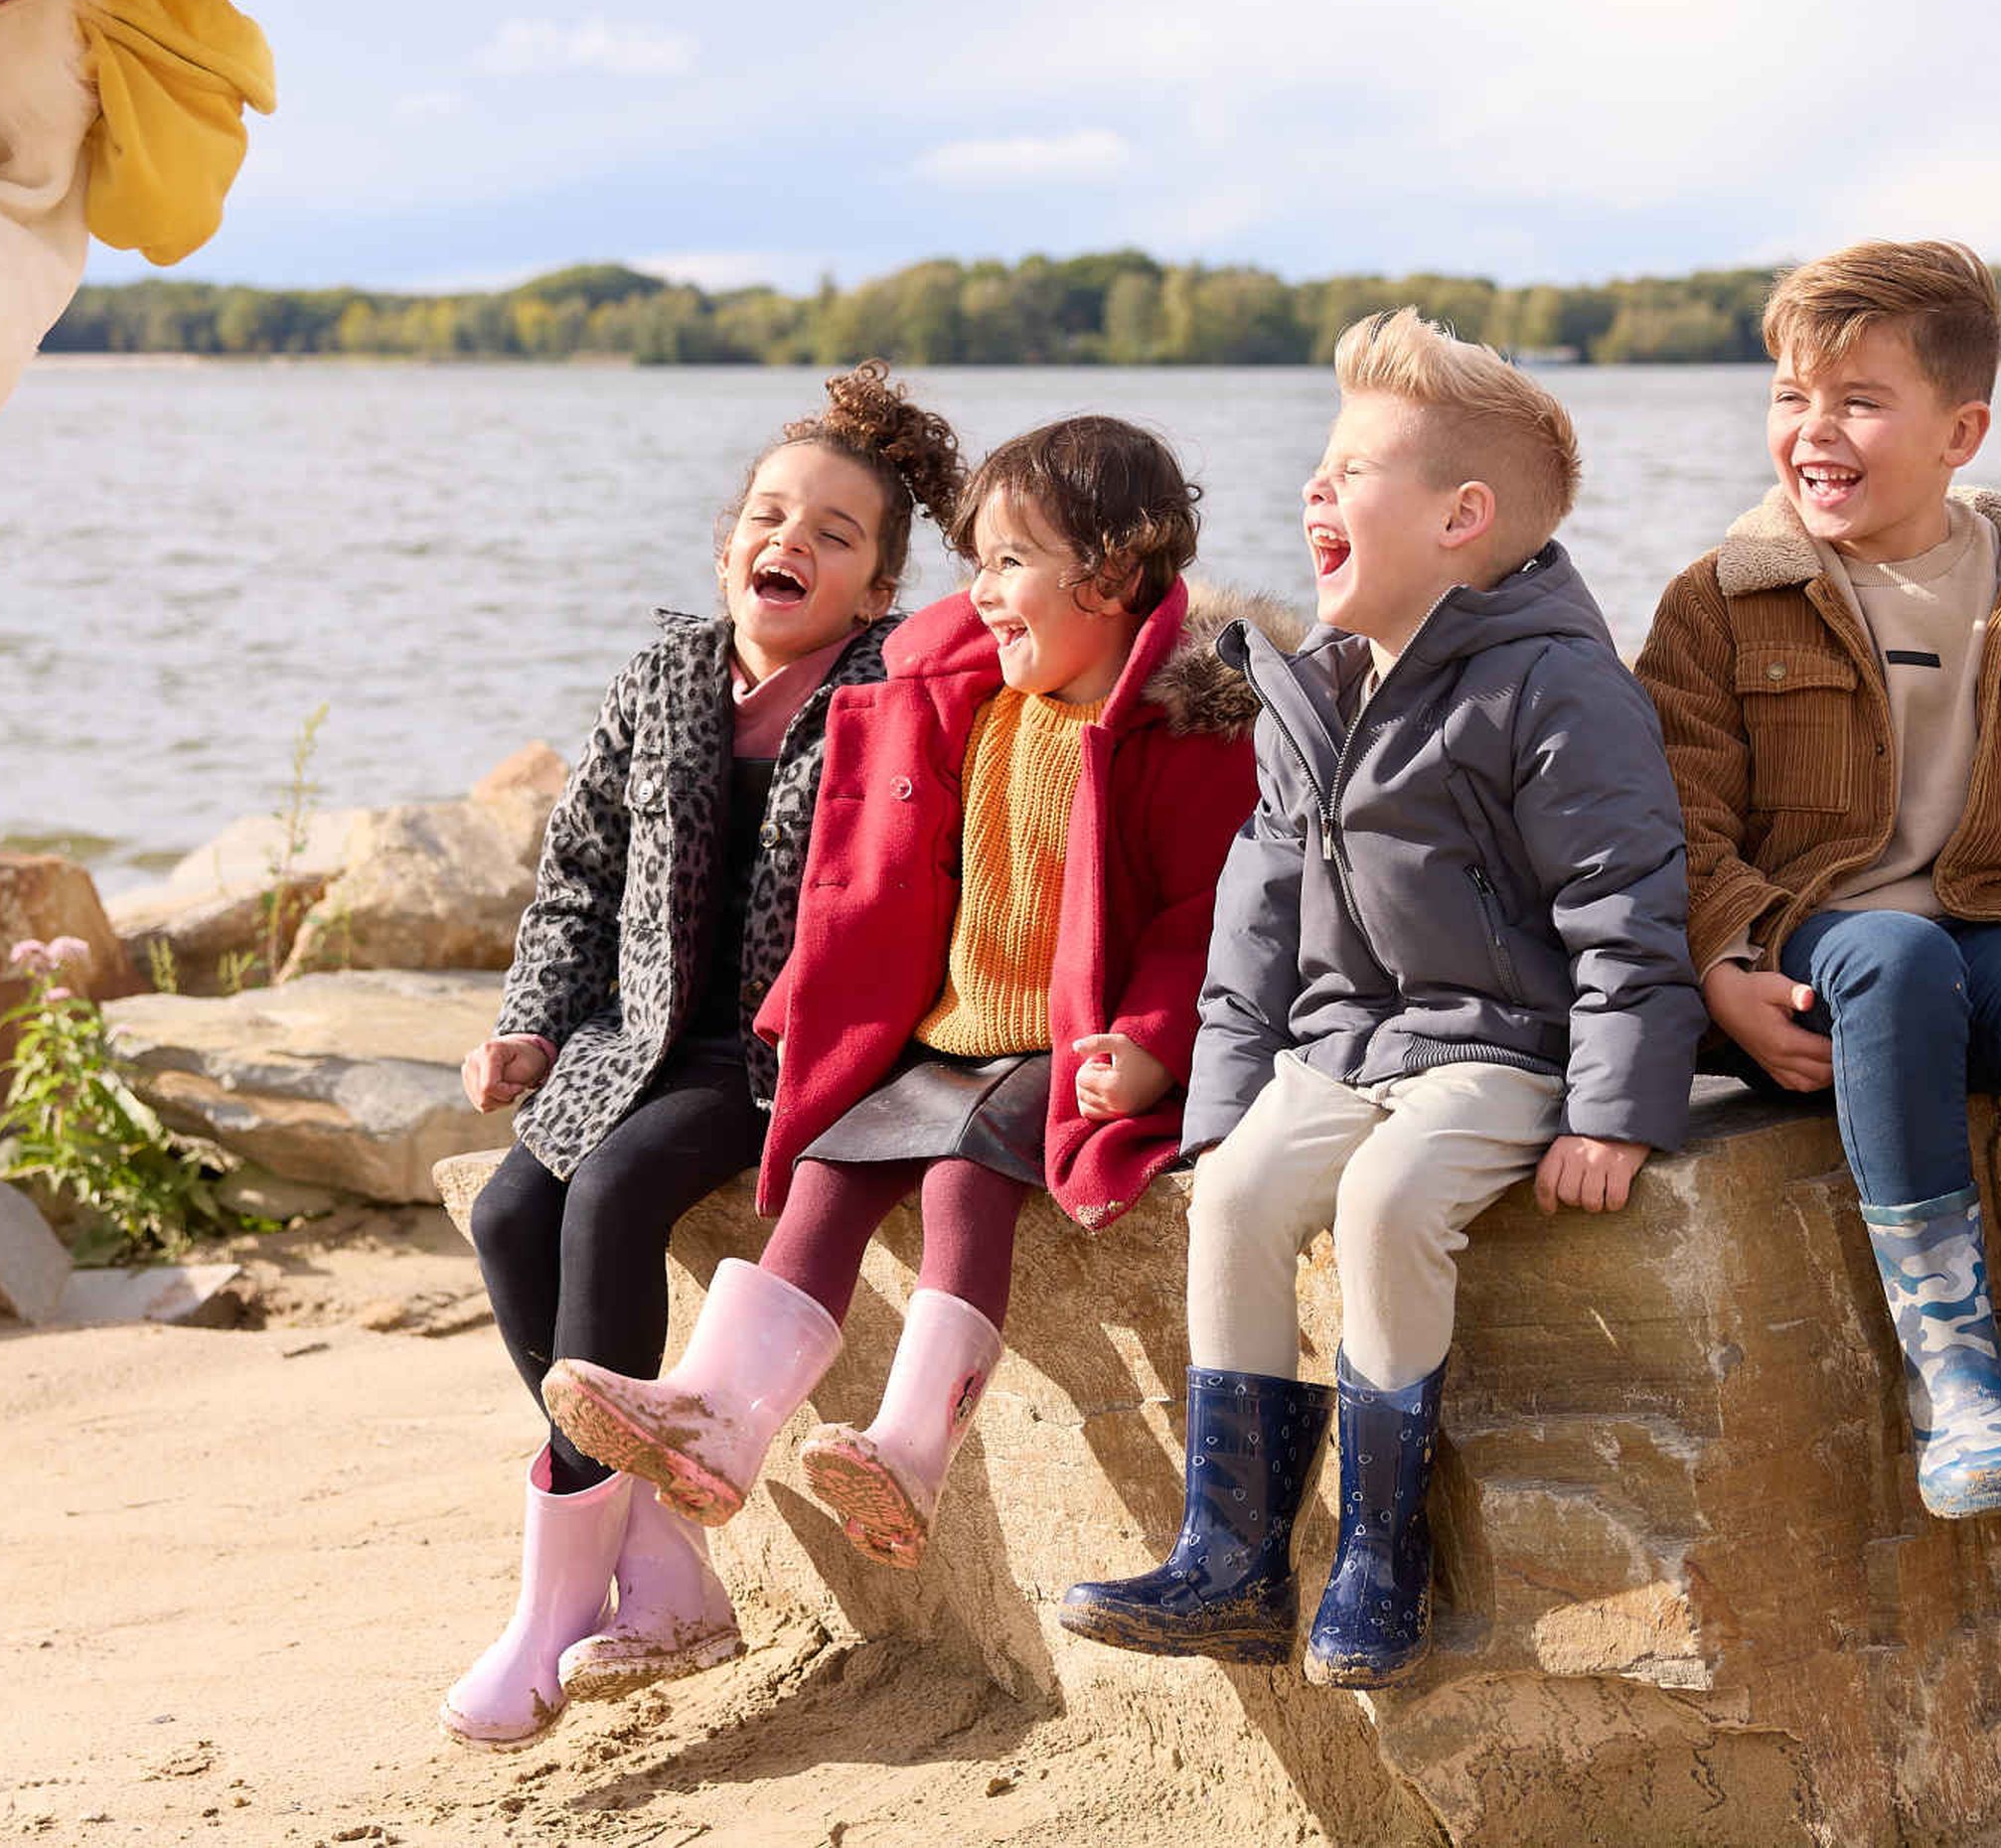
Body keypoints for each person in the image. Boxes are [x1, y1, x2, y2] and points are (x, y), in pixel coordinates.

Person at [1060, 309, 1703, 1689]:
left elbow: (1628, 905)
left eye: (1353, 469)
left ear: (1464, 517)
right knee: (1235, 1195)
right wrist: (1221, 1108)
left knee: (1387, 1200)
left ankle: (1376, 1549)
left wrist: (1611, 1108)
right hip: (1346, 1042)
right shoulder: (1318, 684)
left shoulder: (1559, 685)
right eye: (1321, 465)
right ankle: (1227, 1554)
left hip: (1504, 1045)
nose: (1314, 491)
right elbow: (1259, 921)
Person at [541, 416, 1261, 1601]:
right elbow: (869, 887)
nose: (981, 592)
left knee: (966, 1175)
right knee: (830, 1166)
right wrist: (804, 1004)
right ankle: (719, 1419)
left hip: (1063, 1042)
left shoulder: (1181, 735)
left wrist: (1145, 1052)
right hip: (950, 1027)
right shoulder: (970, 699)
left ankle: (913, 1452)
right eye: (975, 562)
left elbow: (1206, 925)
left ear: (1120, 579)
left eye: (1012, 563)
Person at [1629, 239, 2001, 1569]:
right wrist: (1724, 965)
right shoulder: (1722, 606)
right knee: (1892, 951)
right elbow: (1677, 825)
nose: (1813, 432)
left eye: (1858, 401)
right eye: (1790, 397)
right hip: (1820, 951)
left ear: (1962, 431)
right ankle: (1956, 1385)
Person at [443, 366, 966, 1749]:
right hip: (636, 1032)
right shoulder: (663, 675)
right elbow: (576, 878)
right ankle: (662, 1565)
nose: (789, 541)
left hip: (772, 1052)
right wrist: (531, 1018)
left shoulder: (884, 690)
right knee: (510, 1209)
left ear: (875, 590)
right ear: (728, 539)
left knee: (613, 1197)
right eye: (769, 513)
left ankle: (554, 1608)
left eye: (836, 533)